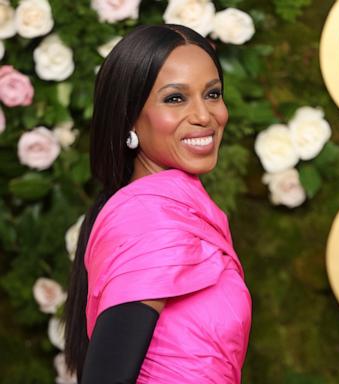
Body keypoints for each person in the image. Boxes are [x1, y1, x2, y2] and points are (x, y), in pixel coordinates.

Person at [64, 24, 252, 384]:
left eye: (212, 94)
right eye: (175, 99)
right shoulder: (150, 217)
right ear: (129, 117)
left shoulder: (170, 209)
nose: (204, 116)